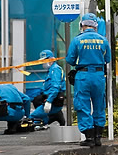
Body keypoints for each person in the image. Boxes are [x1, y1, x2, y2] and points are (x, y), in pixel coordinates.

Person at [65, 13, 111, 147]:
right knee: (99, 105)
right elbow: (107, 59)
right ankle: (98, 136)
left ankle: (89, 137)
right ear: (95, 26)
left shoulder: (77, 40)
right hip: (99, 76)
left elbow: (70, 60)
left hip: (83, 76)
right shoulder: (103, 40)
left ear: (82, 25)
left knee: (83, 105)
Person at [29, 49, 66, 126]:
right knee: (36, 100)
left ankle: (55, 115)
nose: (43, 63)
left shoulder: (55, 70)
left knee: (32, 117)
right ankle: (52, 117)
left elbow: (55, 88)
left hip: (53, 100)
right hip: (48, 98)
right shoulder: (50, 70)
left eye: (45, 60)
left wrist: (49, 101)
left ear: (51, 59)